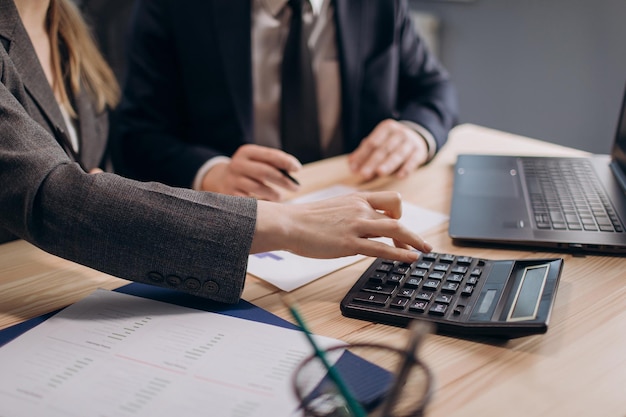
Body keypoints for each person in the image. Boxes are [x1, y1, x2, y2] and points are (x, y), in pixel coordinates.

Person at [0, 0, 433, 304]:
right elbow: (54, 192)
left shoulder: (73, 24)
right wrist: (288, 222)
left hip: (77, 275)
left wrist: (106, 194)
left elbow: (97, 162)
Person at [114, 0, 458, 201]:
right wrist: (211, 172)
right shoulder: (175, 8)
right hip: (239, 217)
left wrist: (416, 132)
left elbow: (432, 87)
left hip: (356, 197)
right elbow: (134, 136)